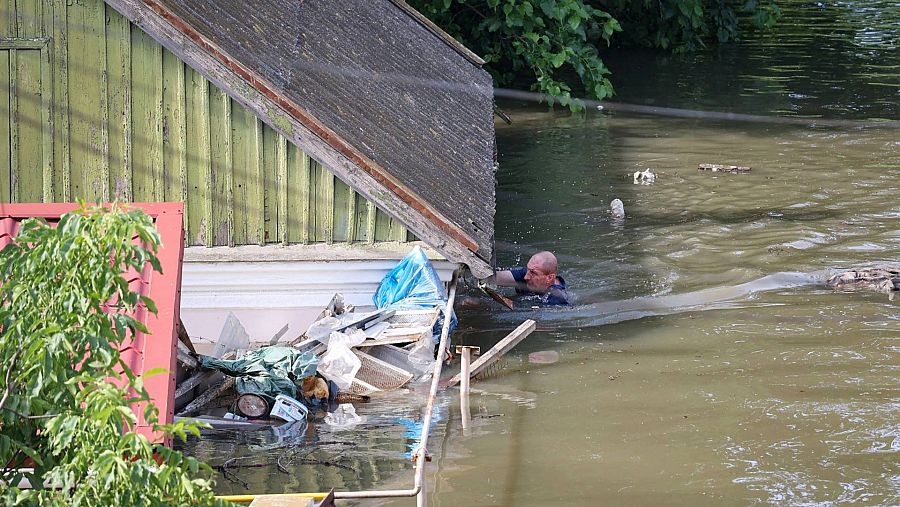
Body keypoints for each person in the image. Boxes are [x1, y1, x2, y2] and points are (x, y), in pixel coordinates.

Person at [492, 251, 570, 306]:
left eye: (533, 273)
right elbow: (493, 278)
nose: (526, 277)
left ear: (549, 278)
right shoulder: (527, 273)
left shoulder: (557, 298)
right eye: (528, 269)